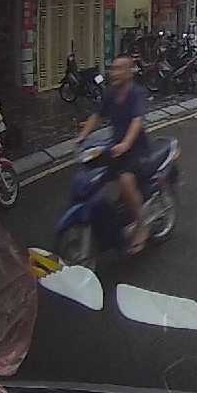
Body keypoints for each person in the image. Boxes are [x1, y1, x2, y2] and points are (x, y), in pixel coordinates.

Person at [75, 55, 150, 253]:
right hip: (114, 146)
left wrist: (126, 143)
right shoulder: (111, 93)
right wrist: (82, 136)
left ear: (129, 72)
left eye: (119, 69)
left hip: (136, 149)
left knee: (125, 180)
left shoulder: (136, 93)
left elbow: (137, 121)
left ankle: (141, 225)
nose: (114, 73)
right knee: (91, 176)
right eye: (113, 69)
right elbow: (97, 116)